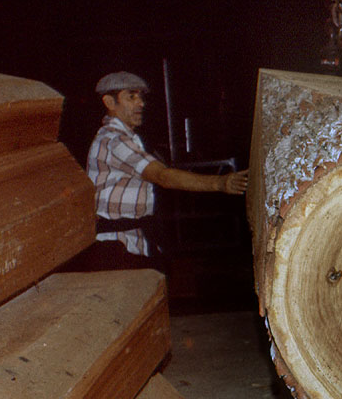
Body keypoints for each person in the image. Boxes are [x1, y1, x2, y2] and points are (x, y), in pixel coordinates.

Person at [85, 71, 248, 269]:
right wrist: (219, 183)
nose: (141, 103)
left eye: (141, 97)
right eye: (131, 96)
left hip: (130, 242)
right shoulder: (114, 140)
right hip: (116, 247)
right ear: (110, 102)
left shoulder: (125, 138)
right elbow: (162, 176)